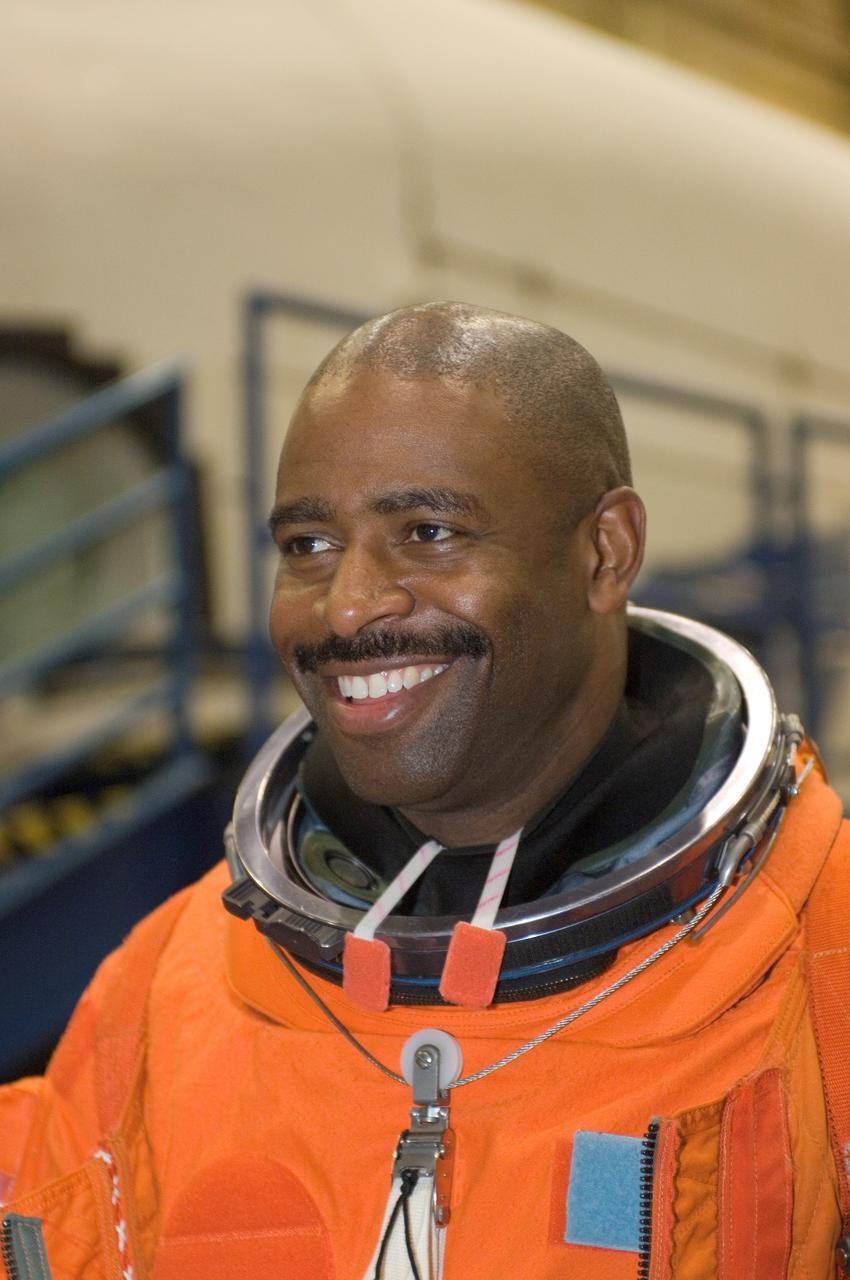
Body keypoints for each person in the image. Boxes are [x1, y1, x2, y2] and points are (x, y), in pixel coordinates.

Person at [1, 303, 848, 1280]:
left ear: (604, 553)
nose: (348, 606)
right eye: (308, 545)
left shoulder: (817, 952)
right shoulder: (166, 988)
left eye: (428, 531)